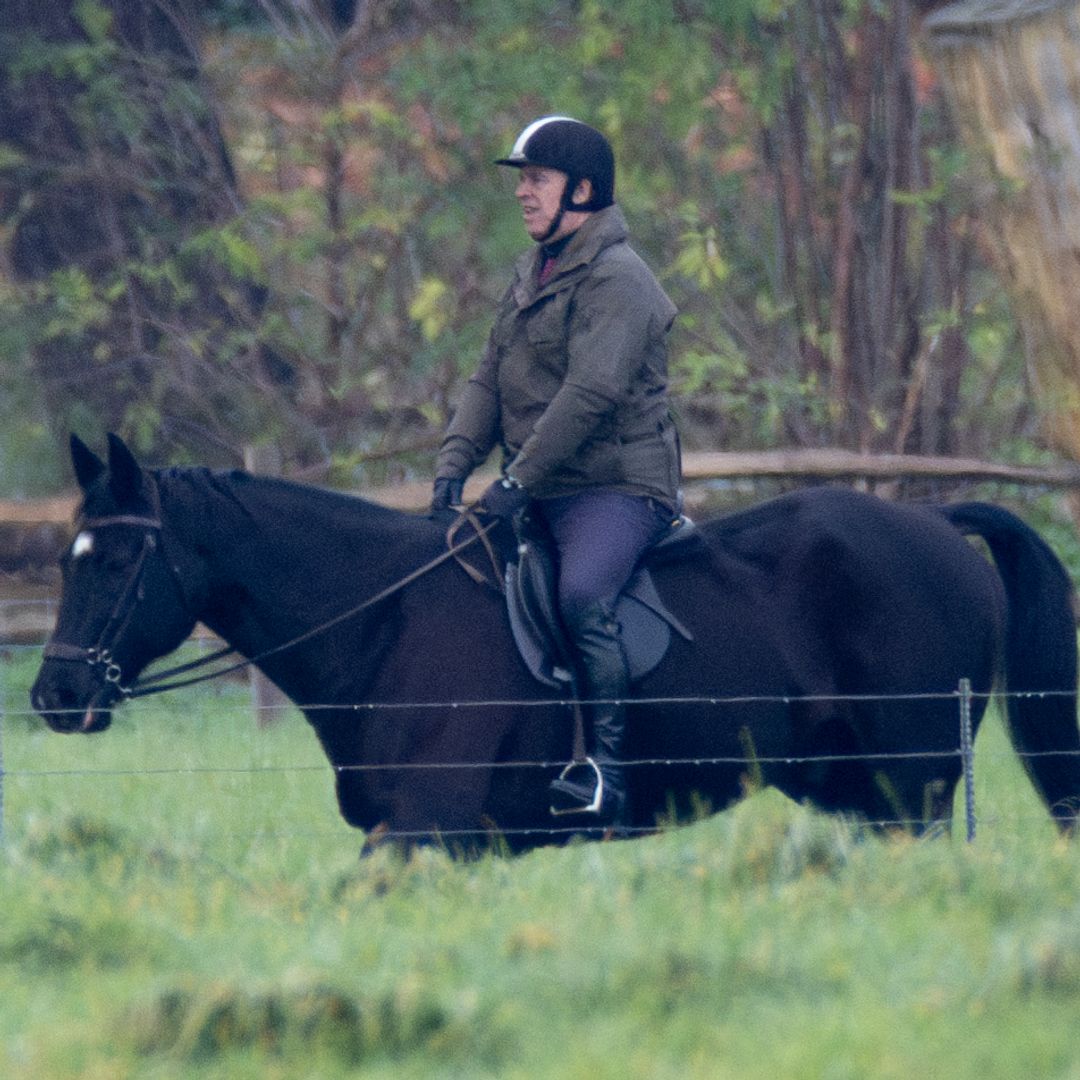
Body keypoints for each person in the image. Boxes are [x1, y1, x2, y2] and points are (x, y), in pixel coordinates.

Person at [432, 116, 681, 825]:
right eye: (521, 180)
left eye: (536, 179)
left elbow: (591, 393)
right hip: (546, 486)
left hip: (618, 488)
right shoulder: (534, 272)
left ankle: (606, 771)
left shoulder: (621, 280)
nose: (523, 193)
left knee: (580, 596)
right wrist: (454, 465)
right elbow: (487, 379)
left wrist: (517, 480)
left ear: (583, 190)